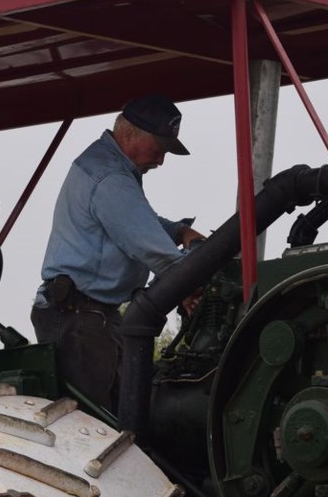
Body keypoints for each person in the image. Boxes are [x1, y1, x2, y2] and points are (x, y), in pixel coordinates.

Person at [31, 94, 205, 413]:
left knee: (129, 412)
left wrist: (180, 231)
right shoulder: (110, 178)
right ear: (130, 134)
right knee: (97, 425)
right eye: (159, 148)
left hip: (90, 316)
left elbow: (139, 219)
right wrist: (194, 283)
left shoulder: (111, 169)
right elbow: (153, 249)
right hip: (79, 320)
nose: (161, 160)